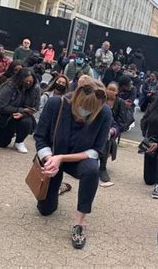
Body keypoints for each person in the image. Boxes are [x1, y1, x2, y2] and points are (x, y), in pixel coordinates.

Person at [34, 80, 111, 249]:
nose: (84, 115)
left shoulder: (104, 112)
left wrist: (61, 158)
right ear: (75, 97)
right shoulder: (55, 103)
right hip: (52, 157)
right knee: (45, 210)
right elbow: (40, 137)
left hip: (77, 160)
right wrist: (49, 159)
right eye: (83, 108)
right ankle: (59, 187)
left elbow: (95, 151)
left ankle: (79, 223)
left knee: (92, 169)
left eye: (90, 112)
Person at [0, 68, 40, 153]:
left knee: (27, 121)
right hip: (4, 116)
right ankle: (4, 134)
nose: (28, 84)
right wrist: (21, 110)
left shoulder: (35, 89)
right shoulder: (9, 87)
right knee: (1, 144)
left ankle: (19, 141)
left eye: (30, 82)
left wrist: (23, 114)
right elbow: (2, 107)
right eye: (26, 81)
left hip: (23, 115)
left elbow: (35, 108)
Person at [99, 82, 133, 182]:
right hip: (99, 126)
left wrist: (113, 130)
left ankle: (102, 167)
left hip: (114, 128)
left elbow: (122, 121)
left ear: (117, 92)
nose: (111, 91)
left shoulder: (120, 103)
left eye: (113, 90)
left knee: (107, 139)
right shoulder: (100, 99)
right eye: (109, 89)